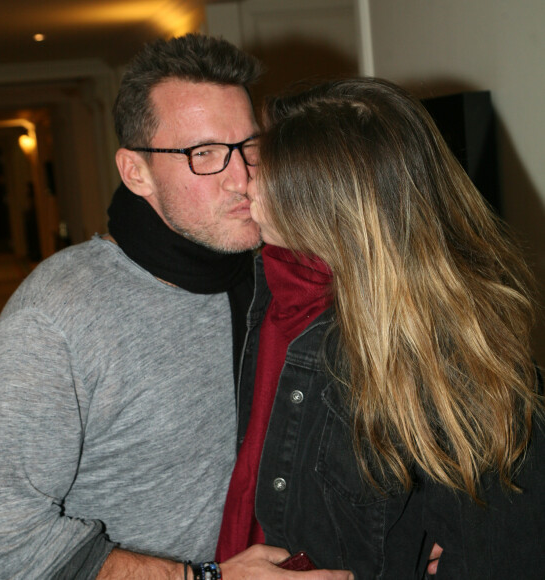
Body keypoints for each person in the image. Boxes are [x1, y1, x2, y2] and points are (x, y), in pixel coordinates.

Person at [0, 35, 352, 580]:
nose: (243, 178)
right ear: (136, 172)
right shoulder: (55, 320)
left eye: (252, 147)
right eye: (205, 154)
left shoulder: (282, 271)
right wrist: (205, 578)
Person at [216, 77, 545, 578]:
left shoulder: (460, 376)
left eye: (266, 170)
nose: (245, 182)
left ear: (329, 208)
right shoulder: (275, 293)